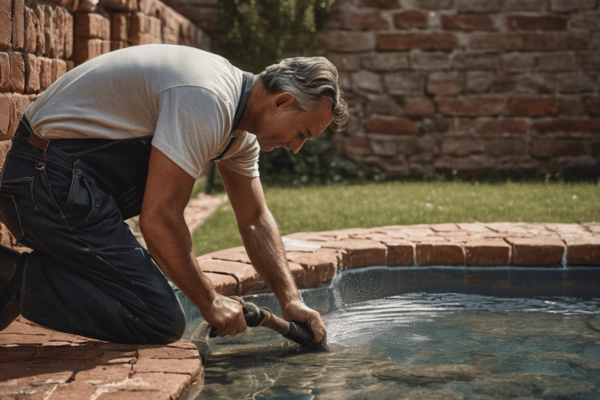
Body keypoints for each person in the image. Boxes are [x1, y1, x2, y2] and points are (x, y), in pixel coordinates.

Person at [0, 44, 348, 344]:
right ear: (282, 101)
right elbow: (159, 219)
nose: (297, 148)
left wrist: (291, 300)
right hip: (41, 181)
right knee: (157, 316)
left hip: (64, 185)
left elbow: (255, 220)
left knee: (145, 291)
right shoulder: (208, 97)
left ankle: (43, 270)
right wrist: (209, 302)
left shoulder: (238, 133)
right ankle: (12, 276)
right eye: (301, 133)